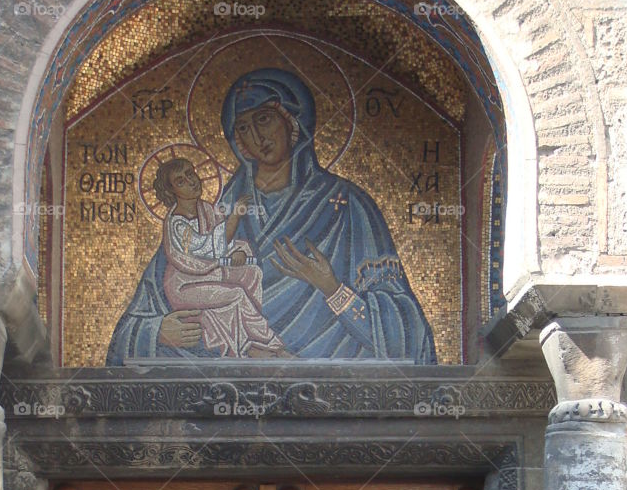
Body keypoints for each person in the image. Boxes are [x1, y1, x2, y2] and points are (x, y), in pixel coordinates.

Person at [106, 66, 436, 364]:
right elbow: (133, 328)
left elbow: (408, 339)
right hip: (227, 398)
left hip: (331, 398)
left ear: (291, 120)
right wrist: (158, 332)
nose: (257, 137)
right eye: (244, 128)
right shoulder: (213, 215)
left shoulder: (348, 206)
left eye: (264, 118)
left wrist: (333, 288)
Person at [155, 155, 288, 359]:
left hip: (209, 275)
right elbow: (209, 248)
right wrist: (234, 217)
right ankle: (268, 344)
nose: (191, 182)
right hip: (185, 286)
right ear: (171, 191)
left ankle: (250, 340)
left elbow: (222, 245)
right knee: (237, 294)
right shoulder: (177, 224)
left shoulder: (206, 209)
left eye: (191, 174)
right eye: (180, 181)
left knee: (252, 274)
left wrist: (236, 251)